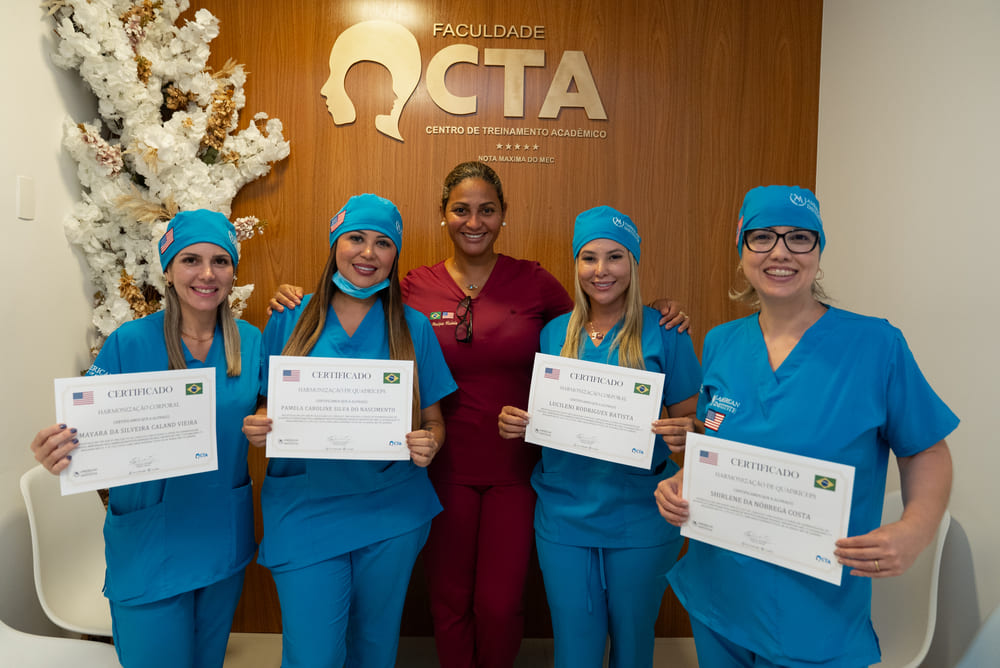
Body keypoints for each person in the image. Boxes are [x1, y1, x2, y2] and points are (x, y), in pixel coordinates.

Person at [268, 162, 691, 668]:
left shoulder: (535, 284)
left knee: (500, 603)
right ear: (443, 215)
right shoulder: (414, 290)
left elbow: (594, 318)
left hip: (517, 468)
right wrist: (293, 297)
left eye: (487, 210)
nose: (474, 221)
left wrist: (657, 311)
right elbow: (345, 313)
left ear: (502, 215)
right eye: (461, 210)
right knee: (447, 599)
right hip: (441, 467)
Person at [654, 185, 957, 668]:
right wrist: (685, 478)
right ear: (742, 251)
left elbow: (925, 449)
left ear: (818, 250)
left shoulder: (876, 345)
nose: (780, 252)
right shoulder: (722, 342)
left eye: (799, 237)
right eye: (762, 237)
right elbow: (715, 443)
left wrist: (916, 528)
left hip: (818, 614)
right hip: (720, 597)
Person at [29, 210, 262, 668]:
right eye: (191, 260)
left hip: (219, 534)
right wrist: (56, 449)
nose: (207, 274)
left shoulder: (251, 342)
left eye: (220, 261)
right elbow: (85, 427)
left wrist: (264, 419)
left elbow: (269, 404)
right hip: (148, 543)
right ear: (168, 271)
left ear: (233, 271)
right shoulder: (129, 342)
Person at [241, 193, 457, 668]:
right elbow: (264, 401)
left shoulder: (413, 327)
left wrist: (430, 443)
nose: (368, 253)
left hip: (391, 509)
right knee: (313, 655)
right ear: (335, 243)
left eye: (383, 243)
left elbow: (434, 421)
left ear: (395, 255)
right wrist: (260, 423)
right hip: (305, 508)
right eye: (355, 238)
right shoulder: (290, 317)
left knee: (374, 649)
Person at [497, 205, 702, 668]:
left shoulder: (665, 331)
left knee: (633, 643)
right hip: (564, 513)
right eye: (589, 258)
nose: (601, 270)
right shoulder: (554, 332)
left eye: (615, 257)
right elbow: (546, 413)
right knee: (574, 646)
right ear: (576, 264)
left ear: (633, 262)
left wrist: (686, 431)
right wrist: (519, 423)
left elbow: (694, 422)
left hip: (640, 515)